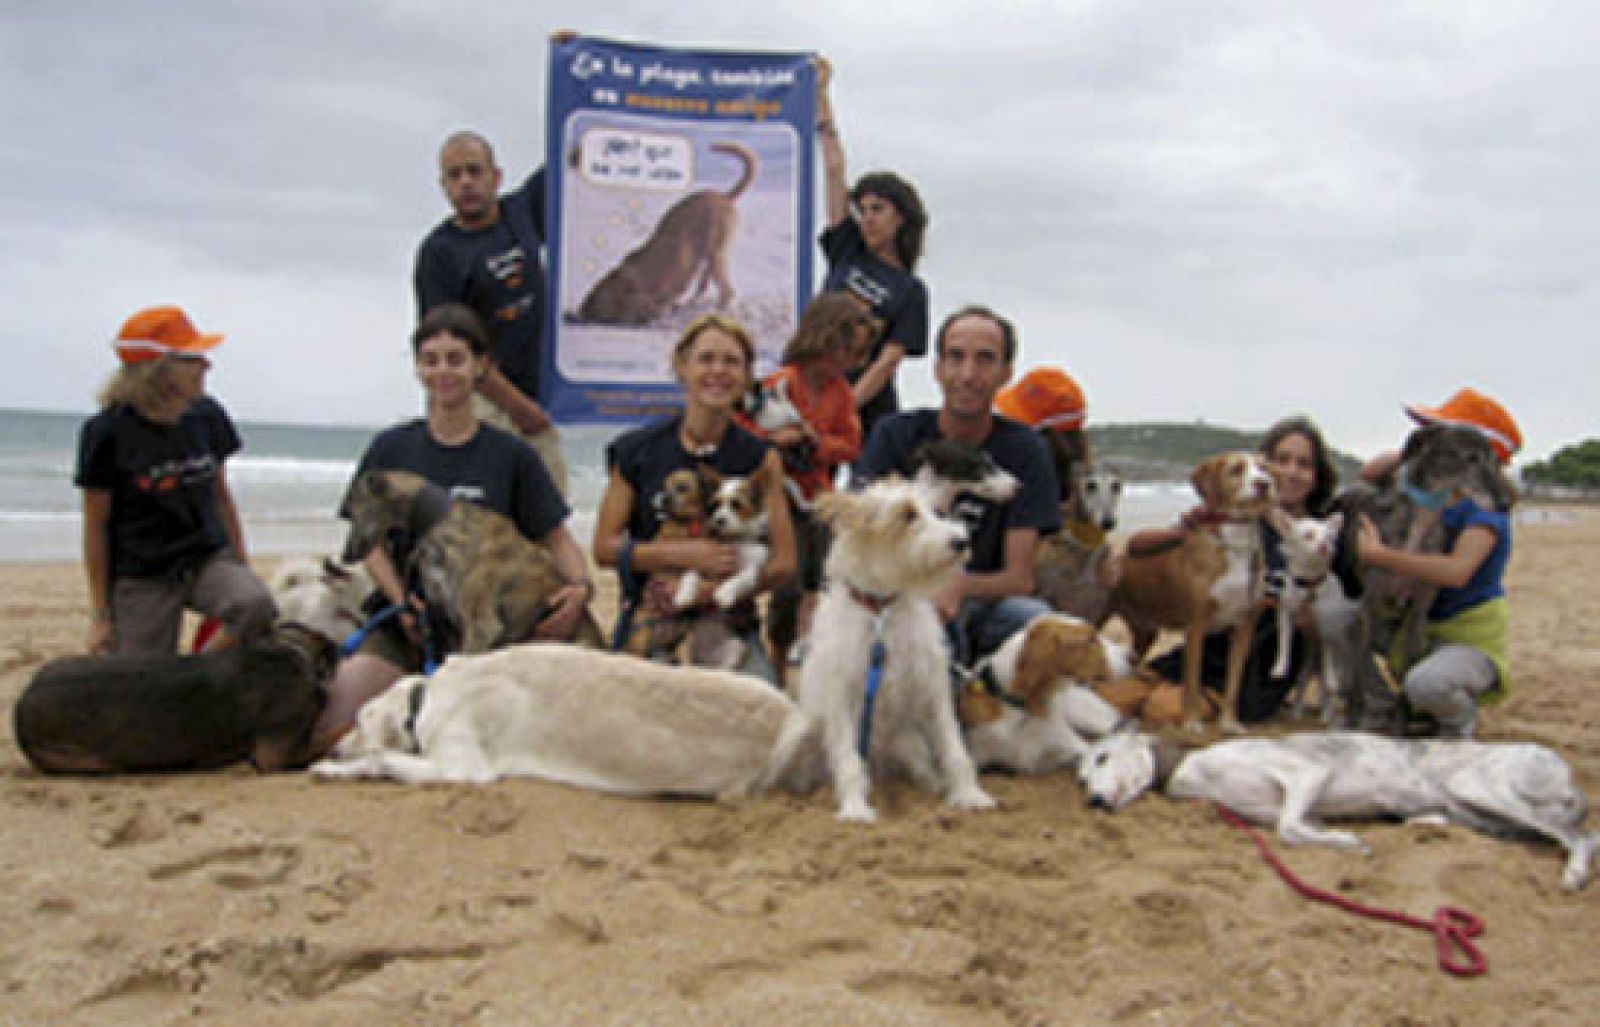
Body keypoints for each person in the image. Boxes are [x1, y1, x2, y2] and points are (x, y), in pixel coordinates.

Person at [312, 304, 592, 749]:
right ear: (419, 367)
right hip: (407, 620)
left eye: (456, 359)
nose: (443, 371)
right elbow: (367, 545)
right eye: (431, 359)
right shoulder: (391, 448)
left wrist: (580, 589)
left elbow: (556, 537)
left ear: (482, 366)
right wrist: (400, 602)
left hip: (490, 632)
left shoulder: (512, 455)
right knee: (337, 722)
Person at [594, 314, 797, 683]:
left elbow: (784, 563)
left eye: (731, 361)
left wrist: (713, 590)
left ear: (747, 375)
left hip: (728, 620)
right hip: (650, 617)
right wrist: (682, 555)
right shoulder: (636, 451)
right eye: (706, 358)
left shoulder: (761, 458)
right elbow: (604, 548)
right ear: (681, 366)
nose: (718, 370)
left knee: (760, 717)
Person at [854, 306, 1060, 663]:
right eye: (955, 357)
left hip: (981, 607)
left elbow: (1020, 579)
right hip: (899, 602)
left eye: (985, 360)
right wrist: (924, 591)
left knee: (1037, 623)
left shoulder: (1026, 451)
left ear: (1005, 374)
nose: (968, 374)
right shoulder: (893, 435)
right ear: (938, 369)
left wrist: (959, 586)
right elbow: (866, 545)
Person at [75, 306, 277, 657]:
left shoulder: (206, 416)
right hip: (142, 574)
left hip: (205, 561)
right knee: (142, 677)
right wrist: (100, 615)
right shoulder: (106, 432)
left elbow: (221, 496)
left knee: (257, 606)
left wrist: (242, 566)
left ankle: (195, 672)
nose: (206, 366)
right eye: (193, 358)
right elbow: (96, 524)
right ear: (157, 369)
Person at [1138, 415, 1343, 723]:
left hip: (1264, 659)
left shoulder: (1323, 530)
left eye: (1304, 464)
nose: (1290, 472)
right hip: (1213, 646)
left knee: (1163, 708)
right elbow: (1136, 546)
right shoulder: (1232, 518)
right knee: (1140, 696)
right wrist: (1184, 528)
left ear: (1317, 476)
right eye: (1281, 460)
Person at [1356, 387, 1521, 738]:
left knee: (1427, 685)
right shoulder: (1437, 497)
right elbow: (1370, 473)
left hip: (1467, 636)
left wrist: (1380, 556)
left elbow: (1456, 572)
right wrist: (1411, 451)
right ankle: (1384, 707)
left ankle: (1458, 721)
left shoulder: (1485, 512)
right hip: (1419, 629)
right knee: (1341, 621)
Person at [414, 129, 569, 496]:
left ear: (495, 177)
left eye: (474, 171)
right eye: (455, 175)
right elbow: (449, 350)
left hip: (536, 394)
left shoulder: (522, 212)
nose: (466, 183)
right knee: (483, 520)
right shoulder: (439, 253)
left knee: (548, 509)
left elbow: (570, 152)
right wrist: (516, 406)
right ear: (444, 186)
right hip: (478, 398)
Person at [733, 293, 874, 667]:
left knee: (822, 581)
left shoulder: (840, 393)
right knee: (787, 583)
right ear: (822, 339)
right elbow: (740, 435)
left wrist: (815, 441)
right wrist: (775, 442)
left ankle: (808, 652)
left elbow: (851, 445)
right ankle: (780, 656)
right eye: (844, 351)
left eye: (857, 356)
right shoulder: (778, 385)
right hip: (783, 499)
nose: (847, 363)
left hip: (819, 500)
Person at [814, 57, 930, 443]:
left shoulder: (910, 291)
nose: (868, 219)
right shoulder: (847, 249)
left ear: (901, 217)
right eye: (862, 210)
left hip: (867, 409)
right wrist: (821, 94)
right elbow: (833, 168)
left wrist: (841, 409)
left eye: (878, 209)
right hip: (811, 387)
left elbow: (886, 364)